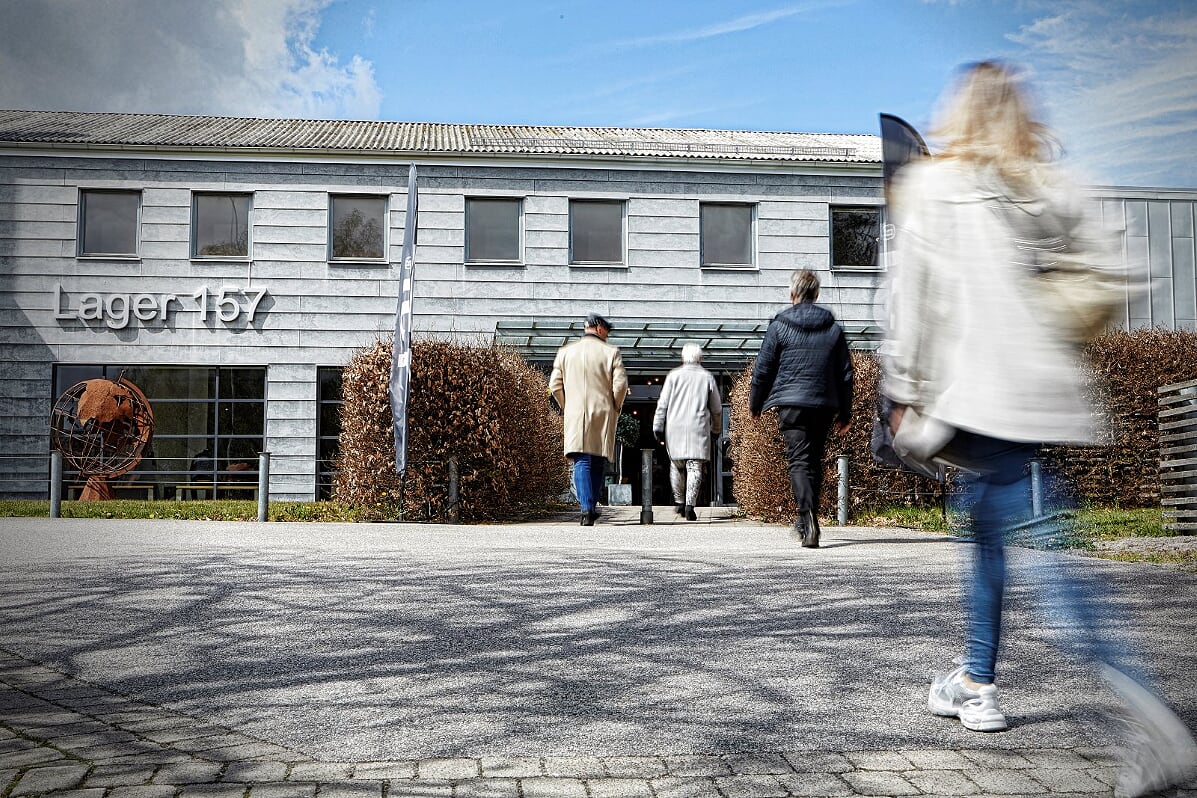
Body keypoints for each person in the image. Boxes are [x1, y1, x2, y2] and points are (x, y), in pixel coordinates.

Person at [883, 60, 1195, 797]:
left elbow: (912, 304)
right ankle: (974, 679)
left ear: (959, 113)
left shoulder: (933, 187)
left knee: (1052, 564)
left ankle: (1152, 723)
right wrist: (1053, 315)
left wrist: (903, 392)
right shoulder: (1053, 185)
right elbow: (1127, 268)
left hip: (974, 399)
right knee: (989, 535)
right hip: (1037, 399)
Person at [749, 269, 853, 547]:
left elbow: (763, 370)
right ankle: (808, 517)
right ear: (816, 295)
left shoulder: (779, 326)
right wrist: (845, 413)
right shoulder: (833, 329)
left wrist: (755, 404)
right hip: (823, 404)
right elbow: (845, 374)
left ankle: (806, 517)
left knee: (799, 461)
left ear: (792, 294)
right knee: (814, 461)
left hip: (792, 404)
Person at [549, 312, 628, 526]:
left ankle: (586, 510)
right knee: (598, 460)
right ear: (600, 328)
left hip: (576, 413)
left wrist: (567, 405)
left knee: (581, 460)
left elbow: (554, 385)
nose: (607, 336)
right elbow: (620, 385)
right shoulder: (611, 352)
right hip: (603, 412)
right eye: (607, 332)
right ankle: (591, 506)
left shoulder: (566, 352)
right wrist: (615, 406)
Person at [653, 344, 722, 521]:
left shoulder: (673, 376)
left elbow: (662, 404)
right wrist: (716, 429)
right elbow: (716, 409)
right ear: (701, 358)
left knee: (676, 465)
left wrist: (658, 426)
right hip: (698, 427)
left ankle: (679, 502)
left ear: (683, 358)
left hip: (674, 427)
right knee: (694, 466)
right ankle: (690, 506)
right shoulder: (707, 377)